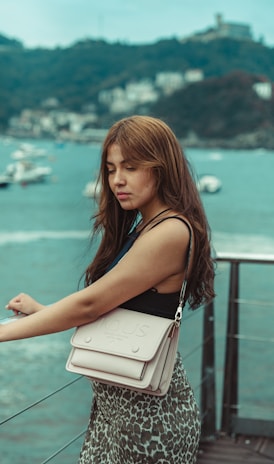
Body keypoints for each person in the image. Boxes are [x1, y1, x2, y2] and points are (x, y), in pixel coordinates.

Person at [1, 115, 215, 464]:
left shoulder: (170, 232)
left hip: (151, 421)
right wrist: (43, 311)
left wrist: (4, 332)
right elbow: (114, 311)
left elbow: (91, 304)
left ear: (161, 168)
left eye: (131, 167)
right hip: (115, 414)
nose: (117, 180)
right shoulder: (146, 227)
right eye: (112, 168)